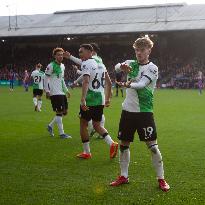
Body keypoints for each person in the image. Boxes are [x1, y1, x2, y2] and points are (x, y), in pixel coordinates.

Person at [110, 36, 170, 192]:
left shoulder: (152, 68)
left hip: (144, 112)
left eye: (142, 50)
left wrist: (128, 84)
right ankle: (123, 176)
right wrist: (121, 66)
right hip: (127, 111)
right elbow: (116, 67)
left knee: (153, 147)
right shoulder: (131, 63)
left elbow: (142, 84)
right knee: (123, 145)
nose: (139, 53)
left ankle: (161, 179)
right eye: (137, 50)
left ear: (149, 50)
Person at [71, 44, 118, 159]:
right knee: (97, 125)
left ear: (89, 52)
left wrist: (83, 98)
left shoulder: (86, 63)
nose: (80, 54)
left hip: (90, 99)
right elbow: (109, 82)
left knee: (83, 124)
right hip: (100, 99)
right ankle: (112, 143)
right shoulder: (101, 64)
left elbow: (86, 81)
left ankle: (87, 152)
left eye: (81, 52)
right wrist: (107, 98)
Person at [64, 43, 105, 139]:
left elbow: (85, 71)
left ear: (91, 51)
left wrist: (70, 57)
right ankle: (101, 134)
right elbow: (85, 73)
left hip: (92, 94)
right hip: (100, 93)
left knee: (84, 120)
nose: (81, 54)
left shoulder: (92, 60)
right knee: (98, 116)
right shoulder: (99, 61)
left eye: (82, 51)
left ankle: (94, 133)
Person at [44, 47, 71, 139]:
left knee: (65, 112)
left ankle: (50, 126)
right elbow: (45, 78)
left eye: (62, 54)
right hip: (54, 92)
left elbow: (62, 80)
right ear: (55, 56)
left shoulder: (62, 66)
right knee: (59, 112)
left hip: (61, 92)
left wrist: (66, 90)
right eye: (58, 54)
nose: (60, 56)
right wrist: (47, 91)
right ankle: (61, 133)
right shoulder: (51, 65)